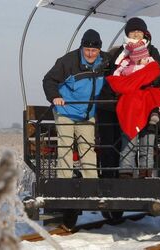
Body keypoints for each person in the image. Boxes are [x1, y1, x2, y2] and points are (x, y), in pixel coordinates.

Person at [105, 17, 160, 178]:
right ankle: (126, 172)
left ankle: (145, 173)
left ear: (144, 33)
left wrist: (145, 81)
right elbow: (113, 75)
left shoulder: (152, 50)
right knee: (129, 138)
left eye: (139, 32)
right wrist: (129, 84)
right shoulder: (121, 52)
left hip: (146, 100)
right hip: (129, 103)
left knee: (147, 140)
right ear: (128, 33)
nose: (136, 35)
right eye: (133, 32)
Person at [43, 29, 109, 178]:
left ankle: (91, 184)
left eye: (94, 50)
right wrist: (55, 96)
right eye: (87, 50)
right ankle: (64, 183)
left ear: (99, 50)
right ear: (81, 48)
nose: (90, 54)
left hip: (87, 113)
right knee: (65, 146)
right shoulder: (68, 61)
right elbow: (49, 80)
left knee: (87, 148)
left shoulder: (106, 62)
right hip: (66, 110)